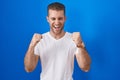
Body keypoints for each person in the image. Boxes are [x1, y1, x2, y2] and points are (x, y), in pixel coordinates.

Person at [24, 2, 91, 80]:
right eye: (53, 19)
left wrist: (80, 45)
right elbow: (29, 69)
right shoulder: (40, 40)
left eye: (60, 18)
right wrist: (32, 45)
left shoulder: (74, 39)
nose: (57, 22)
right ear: (47, 19)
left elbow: (85, 68)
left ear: (65, 18)